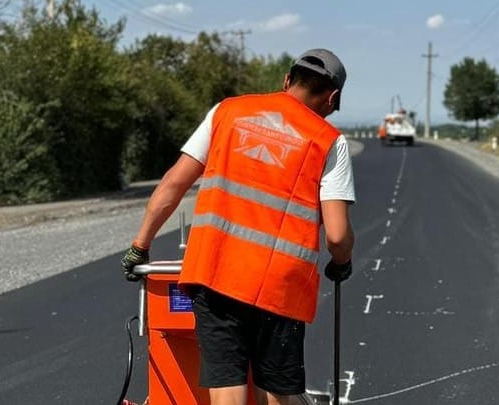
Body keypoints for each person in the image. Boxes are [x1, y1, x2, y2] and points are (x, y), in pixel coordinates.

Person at [120, 48, 356, 405]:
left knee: (227, 385)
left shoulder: (226, 112)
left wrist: (140, 244)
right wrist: (342, 262)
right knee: (277, 389)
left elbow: (173, 184)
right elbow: (337, 236)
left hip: (215, 275)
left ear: (287, 80)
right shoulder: (328, 141)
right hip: (279, 288)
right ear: (332, 97)